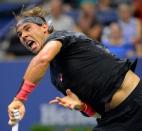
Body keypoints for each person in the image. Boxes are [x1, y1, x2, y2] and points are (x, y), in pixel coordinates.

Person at [8, 6, 142, 131]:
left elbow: (42, 59)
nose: (23, 36)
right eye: (19, 34)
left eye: (27, 28)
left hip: (136, 99)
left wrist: (19, 99)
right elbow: (96, 113)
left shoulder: (62, 37)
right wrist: (82, 106)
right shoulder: (57, 78)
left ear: (44, 27)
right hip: (113, 119)